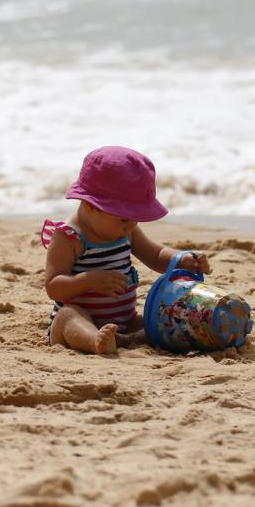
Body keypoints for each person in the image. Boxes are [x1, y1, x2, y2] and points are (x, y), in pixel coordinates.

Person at [41, 146, 212, 354]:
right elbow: (53, 287)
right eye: (124, 217)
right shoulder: (68, 237)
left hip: (124, 321)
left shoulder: (126, 230)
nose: (131, 225)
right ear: (89, 205)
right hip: (78, 321)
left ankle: (124, 339)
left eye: (136, 216)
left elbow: (155, 256)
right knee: (68, 315)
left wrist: (182, 259)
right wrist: (89, 280)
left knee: (160, 320)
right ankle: (95, 340)